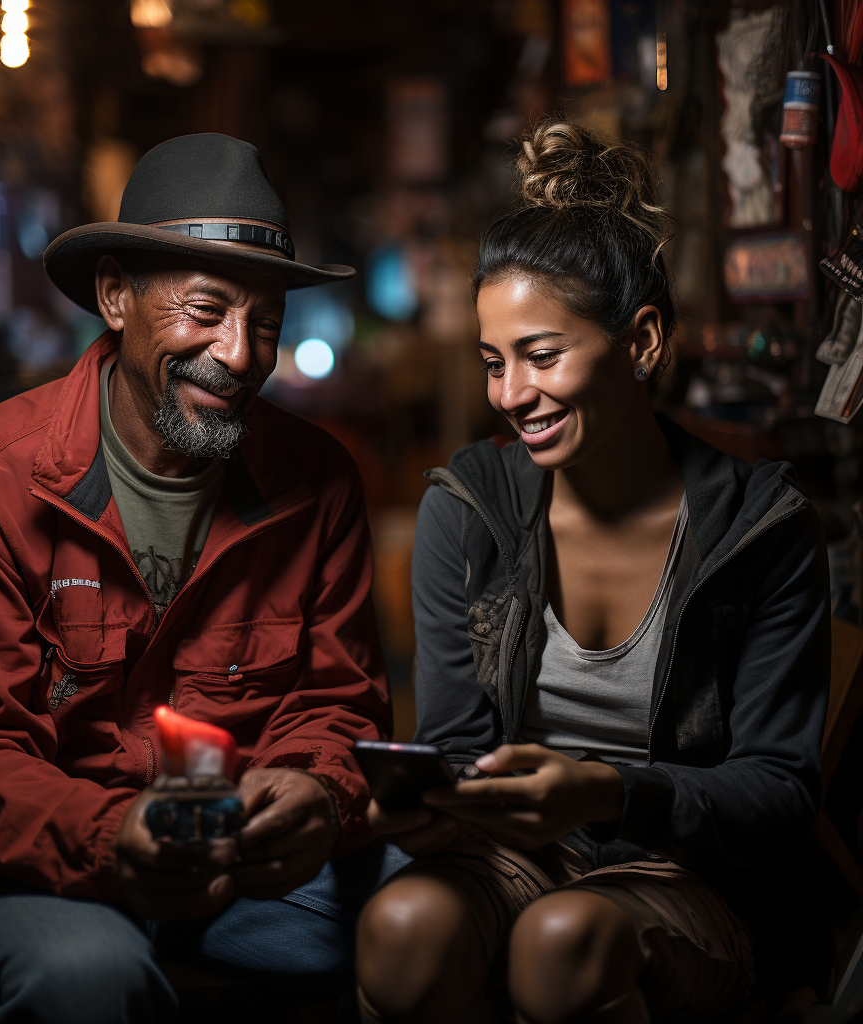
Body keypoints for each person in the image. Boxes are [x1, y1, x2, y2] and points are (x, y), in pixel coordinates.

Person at [0, 133, 407, 1024]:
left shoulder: (318, 480)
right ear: (115, 295)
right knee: (86, 980)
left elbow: (338, 706)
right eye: (205, 310)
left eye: (266, 322)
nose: (239, 355)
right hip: (49, 876)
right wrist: (113, 835)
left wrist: (317, 791)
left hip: (244, 874)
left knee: (436, 916)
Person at [356, 121, 832, 1024]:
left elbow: (777, 794)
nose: (509, 396)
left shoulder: (759, 529)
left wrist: (611, 792)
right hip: (514, 854)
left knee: (562, 940)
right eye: (493, 363)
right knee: (404, 925)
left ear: (643, 342)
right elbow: (457, 746)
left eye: (542, 356)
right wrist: (424, 807)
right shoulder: (470, 509)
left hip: (693, 873)